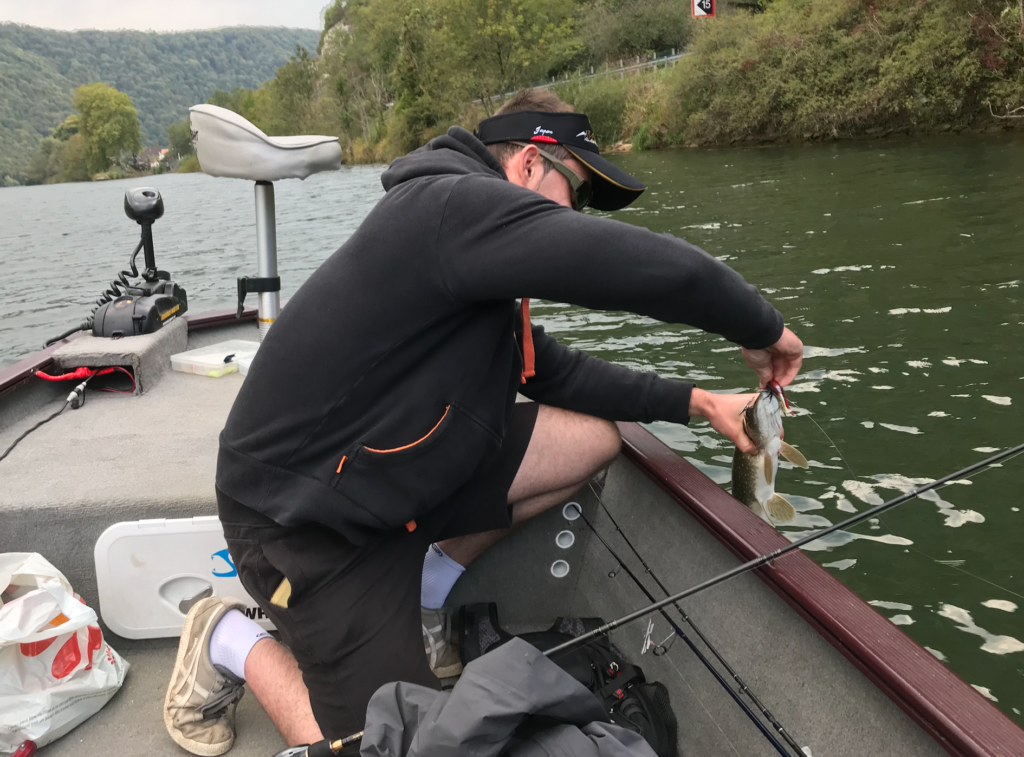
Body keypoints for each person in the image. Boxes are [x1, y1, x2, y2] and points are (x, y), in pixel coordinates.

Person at [163, 89, 803, 756]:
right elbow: (629, 264)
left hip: (394, 488)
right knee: (389, 746)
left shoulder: (480, 256)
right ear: (528, 162)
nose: (576, 216)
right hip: (306, 526)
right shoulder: (448, 208)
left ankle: (426, 588)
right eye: (578, 192)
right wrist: (761, 328)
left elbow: (550, 371)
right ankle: (225, 637)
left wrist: (699, 401)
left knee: (591, 439)